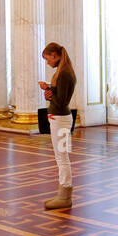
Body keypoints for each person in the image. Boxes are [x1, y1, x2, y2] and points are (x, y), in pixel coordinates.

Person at [39, 42, 77, 211]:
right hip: (59, 118)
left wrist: (49, 91)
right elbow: (59, 96)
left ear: (54, 55)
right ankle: (63, 193)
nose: (48, 62)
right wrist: (49, 90)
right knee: (61, 157)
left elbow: (61, 102)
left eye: (48, 59)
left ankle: (65, 196)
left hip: (60, 119)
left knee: (62, 158)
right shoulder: (63, 72)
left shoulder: (63, 74)